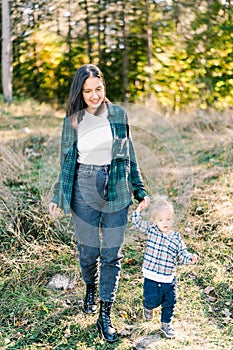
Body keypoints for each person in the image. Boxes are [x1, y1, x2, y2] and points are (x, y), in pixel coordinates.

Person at [49, 64, 149, 343]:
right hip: (83, 187)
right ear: (80, 93)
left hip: (115, 185)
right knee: (88, 251)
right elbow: (66, 163)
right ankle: (90, 288)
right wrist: (59, 196)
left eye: (99, 89)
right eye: (88, 91)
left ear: (104, 87)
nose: (94, 95)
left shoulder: (118, 114)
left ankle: (105, 312)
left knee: (111, 255)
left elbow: (130, 154)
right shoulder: (73, 120)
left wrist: (139, 190)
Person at [132, 195, 198, 339]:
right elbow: (137, 223)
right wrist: (138, 209)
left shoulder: (176, 237)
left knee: (170, 302)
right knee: (152, 300)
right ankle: (148, 307)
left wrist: (190, 258)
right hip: (152, 277)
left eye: (168, 219)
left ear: (172, 219)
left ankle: (166, 324)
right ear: (155, 221)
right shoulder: (151, 230)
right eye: (161, 220)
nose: (165, 223)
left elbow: (182, 253)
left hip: (169, 278)